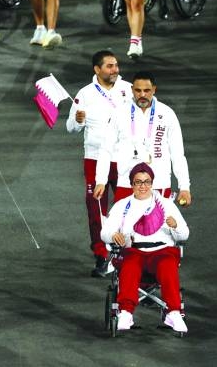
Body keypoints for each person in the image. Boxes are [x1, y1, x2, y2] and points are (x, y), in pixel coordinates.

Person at [100, 163, 189, 334]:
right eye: (138, 182)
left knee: (167, 265)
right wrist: (113, 235)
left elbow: (184, 235)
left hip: (162, 251)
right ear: (132, 184)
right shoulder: (122, 205)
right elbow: (105, 232)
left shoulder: (166, 204)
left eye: (146, 182)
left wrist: (175, 226)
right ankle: (126, 312)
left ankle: (174, 313)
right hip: (134, 251)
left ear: (152, 183)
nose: (143, 186)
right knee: (130, 265)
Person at [66, 50, 131, 277]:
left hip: (123, 158)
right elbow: (70, 128)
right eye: (110, 66)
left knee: (126, 208)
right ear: (97, 69)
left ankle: (126, 256)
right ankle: (102, 255)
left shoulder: (129, 90)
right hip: (94, 158)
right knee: (96, 210)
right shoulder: (84, 94)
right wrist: (77, 119)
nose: (115, 70)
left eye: (116, 66)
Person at [94, 71, 190, 203]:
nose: (142, 95)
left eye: (147, 90)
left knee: (158, 224)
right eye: (138, 90)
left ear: (154, 90)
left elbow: (177, 153)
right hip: (127, 183)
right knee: (125, 224)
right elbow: (105, 149)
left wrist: (184, 186)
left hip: (158, 184)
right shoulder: (119, 113)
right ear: (132, 90)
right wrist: (100, 181)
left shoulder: (167, 114)